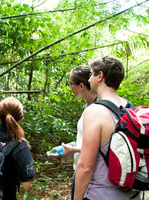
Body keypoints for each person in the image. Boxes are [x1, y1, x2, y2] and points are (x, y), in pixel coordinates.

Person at [74, 56, 140, 200]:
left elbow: (85, 167)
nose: (89, 79)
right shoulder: (130, 109)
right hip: (131, 194)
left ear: (100, 76)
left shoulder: (95, 112)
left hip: (101, 194)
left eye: (91, 74)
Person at [61, 65, 96, 200]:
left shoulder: (98, 108)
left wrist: (74, 149)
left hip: (91, 175)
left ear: (81, 85)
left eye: (71, 84)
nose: (70, 87)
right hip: (81, 170)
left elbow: (101, 147)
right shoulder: (88, 105)